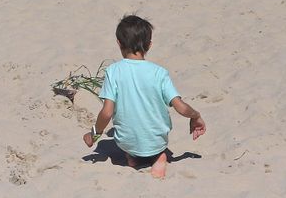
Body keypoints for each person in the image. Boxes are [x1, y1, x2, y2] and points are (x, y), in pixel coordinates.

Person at [81, 14, 205, 178]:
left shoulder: (113, 72)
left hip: (126, 143)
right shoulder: (159, 73)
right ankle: (159, 157)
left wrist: (94, 135)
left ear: (119, 43)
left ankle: (133, 156)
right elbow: (180, 106)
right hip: (157, 141)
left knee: (126, 141)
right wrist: (196, 116)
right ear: (149, 45)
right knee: (157, 145)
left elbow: (107, 112)